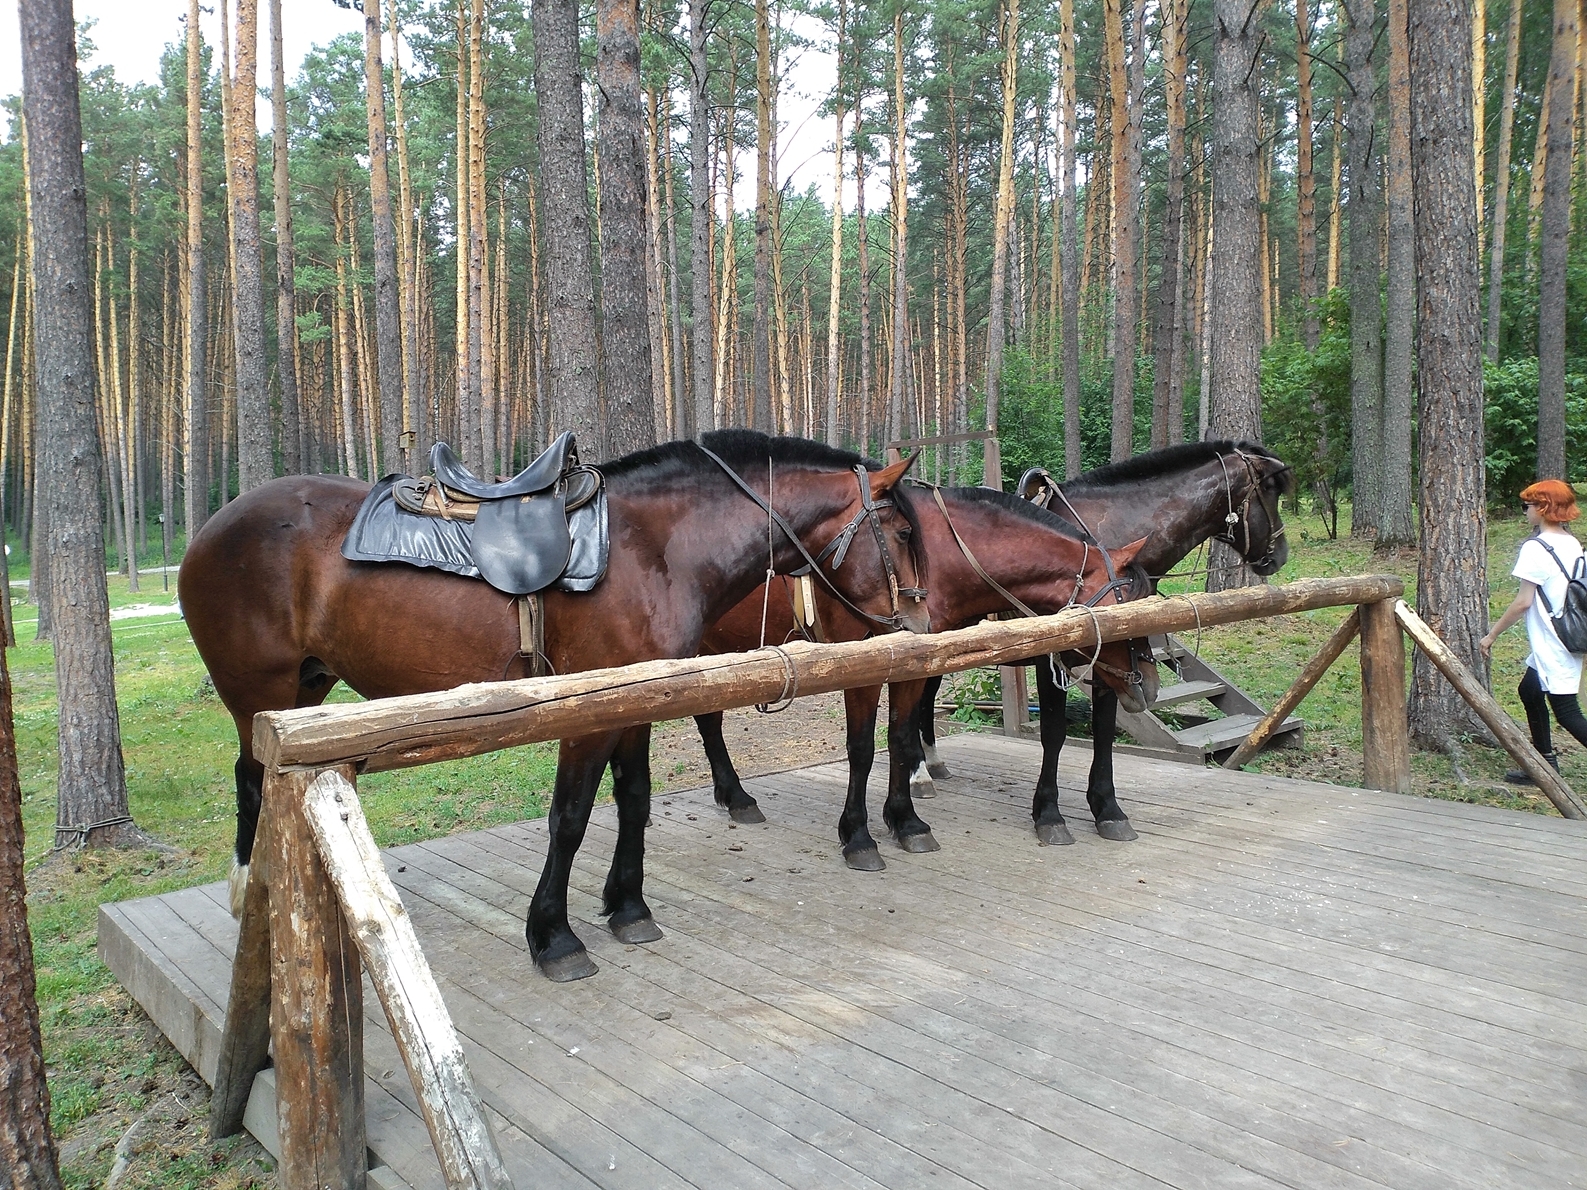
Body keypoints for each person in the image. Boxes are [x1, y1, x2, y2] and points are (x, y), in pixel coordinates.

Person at [1479, 479, 1587, 783]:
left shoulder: (1536, 548)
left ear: (1543, 508)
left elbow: (1523, 603)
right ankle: (1543, 763)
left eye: (1527, 505)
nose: (1524, 511)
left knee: (1567, 713)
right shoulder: (1571, 543)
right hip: (1562, 636)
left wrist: (1491, 635)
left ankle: (1544, 764)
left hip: (1555, 641)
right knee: (1529, 690)